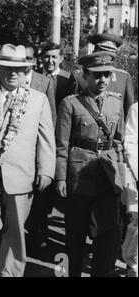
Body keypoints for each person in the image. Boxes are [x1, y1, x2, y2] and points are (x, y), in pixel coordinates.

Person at [0, 44, 55, 277]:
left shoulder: (38, 99)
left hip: (20, 173)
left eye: (19, 69)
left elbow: (46, 139)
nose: (13, 73)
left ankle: (11, 271)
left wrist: (46, 170)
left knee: (15, 228)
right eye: (7, 68)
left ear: (27, 70)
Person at [56, 51, 124, 277]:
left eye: (106, 75)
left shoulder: (116, 104)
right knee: (74, 236)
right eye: (97, 75)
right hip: (79, 178)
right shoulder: (70, 104)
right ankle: (66, 274)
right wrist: (61, 178)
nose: (103, 80)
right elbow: (61, 145)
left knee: (107, 235)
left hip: (107, 177)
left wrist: (121, 176)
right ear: (85, 76)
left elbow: (119, 142)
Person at [23, 44, 58, 253]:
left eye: (29, 58)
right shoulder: (6, 77)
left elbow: (50, 119)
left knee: (40, 196)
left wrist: (45, 156)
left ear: (35, 60)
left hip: (36, 147)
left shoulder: (43, 82)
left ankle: (38, 234)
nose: (25, 62)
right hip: (15, 148)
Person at [76, 33, 135, 121]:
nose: (107, 56)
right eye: (102, 51)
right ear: (95, 51)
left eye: (111, 53)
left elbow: (129, 111)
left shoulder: (124, 77)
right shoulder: (80, 76)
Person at [122, 102, 138, 277]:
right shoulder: (136, 109)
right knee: (136, 225)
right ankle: (132, 266)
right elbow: (131, 144)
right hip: (136, 177)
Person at [41, 42, 77, 109]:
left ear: (61, 59)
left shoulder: (68, 78)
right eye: (47, 57)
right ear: (42, 58)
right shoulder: (35, 75)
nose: (50, 61)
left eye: (54, 57)